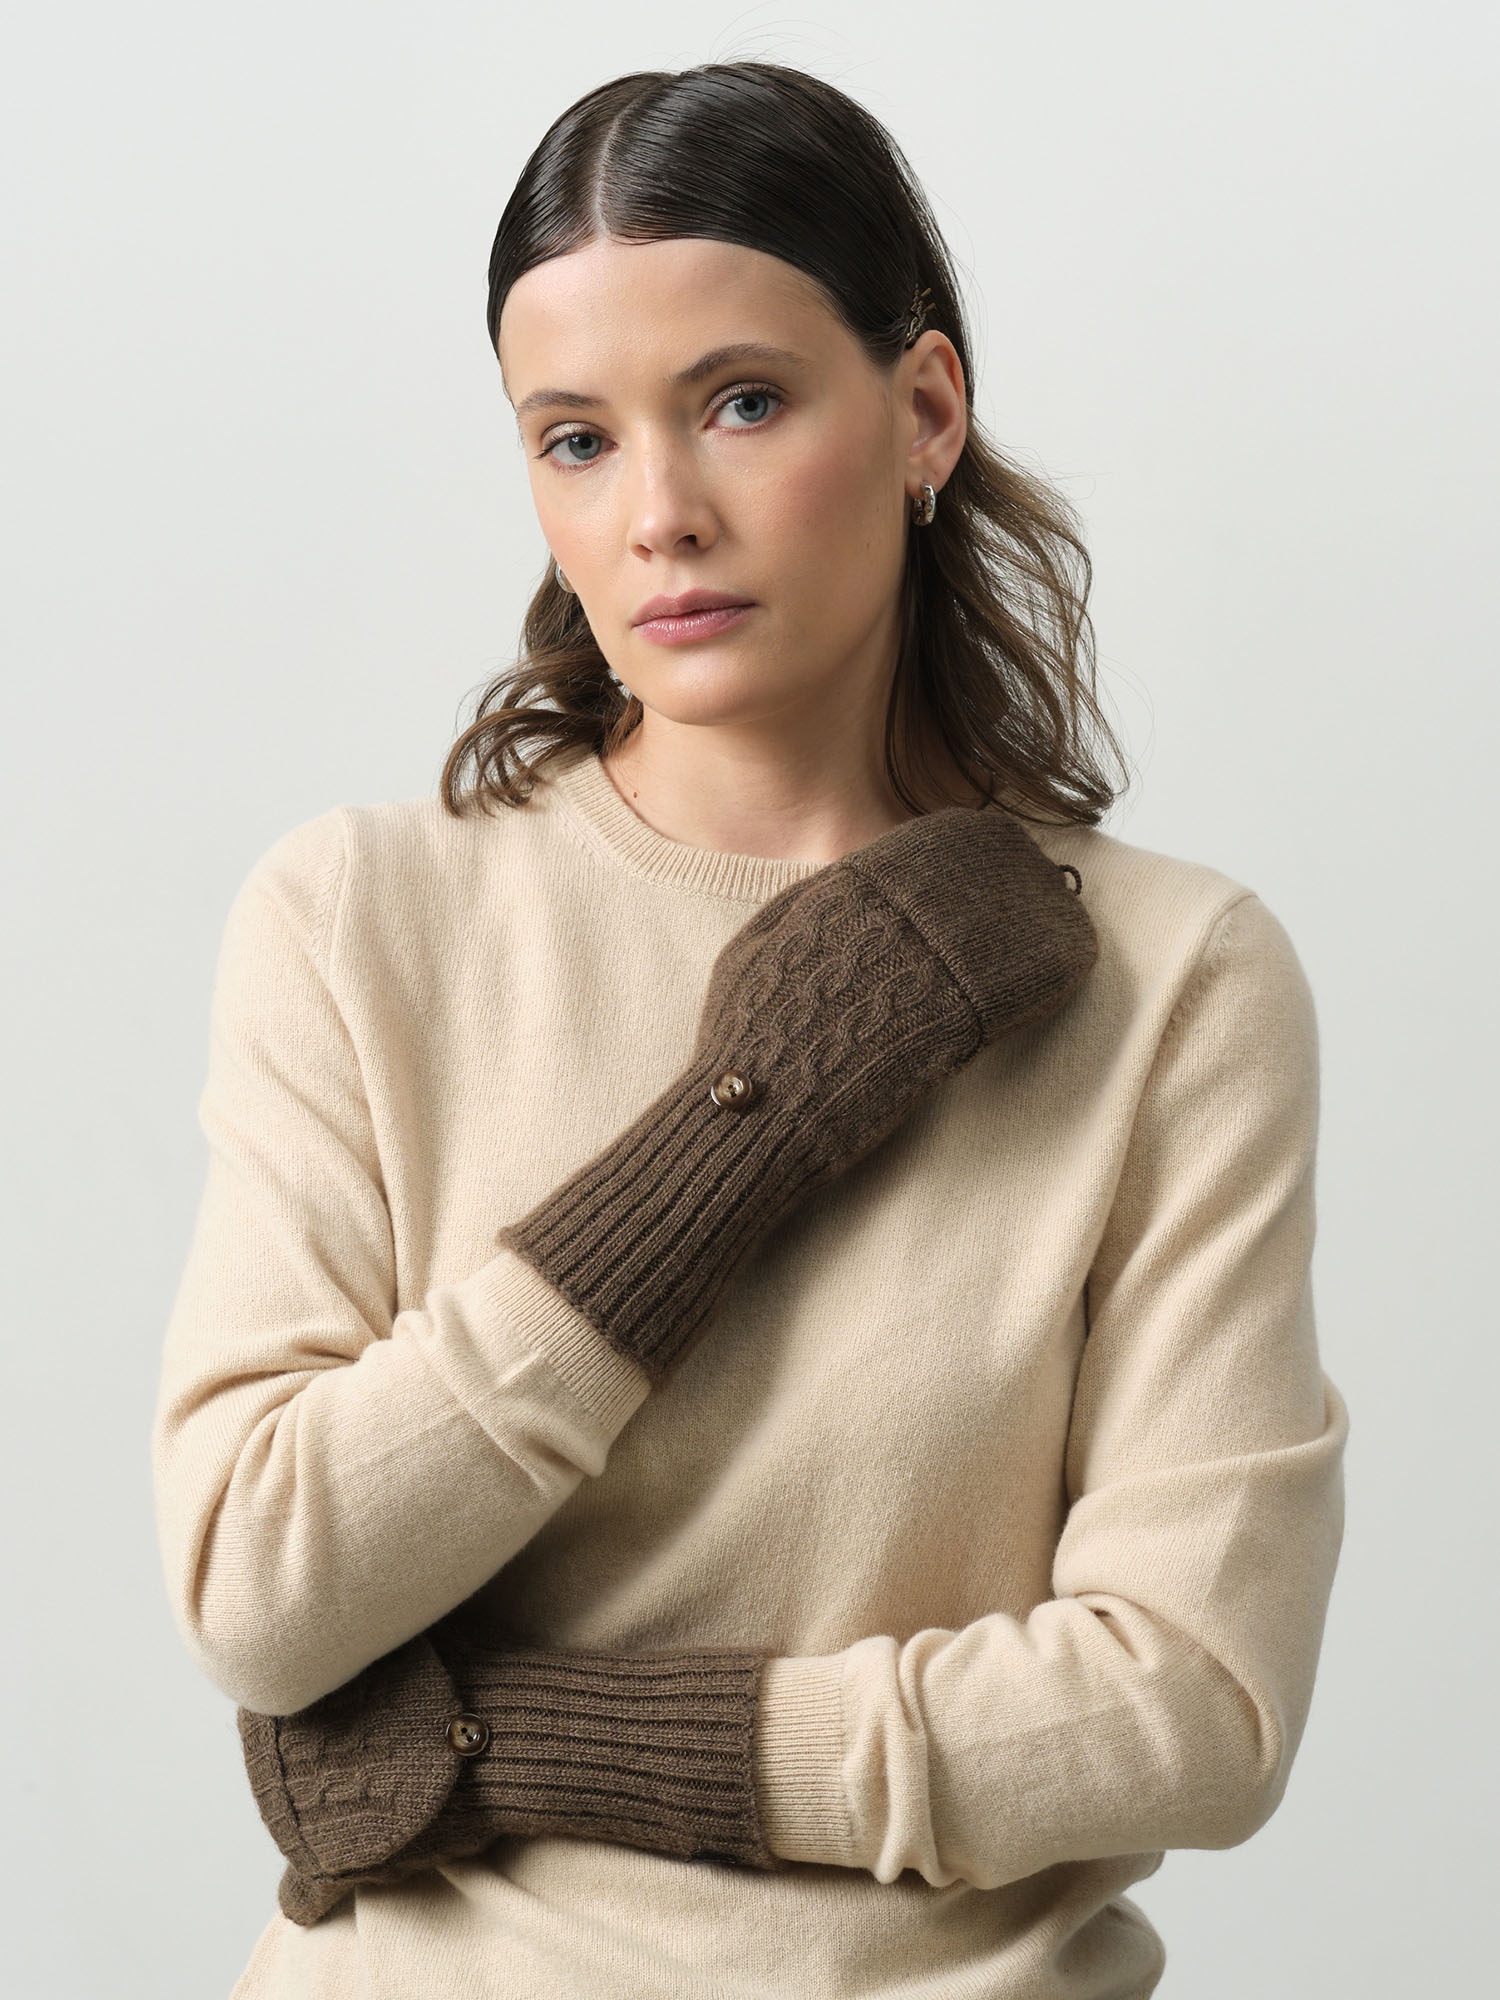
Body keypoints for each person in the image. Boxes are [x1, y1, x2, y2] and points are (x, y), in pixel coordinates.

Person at [152, 61, 1346, 2000]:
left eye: (742, 402)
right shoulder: (362, 919)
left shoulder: (1171, 978)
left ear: (926, 410)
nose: (660, 516)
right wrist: (746, 1123)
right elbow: (262, 1586)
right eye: (576, 440)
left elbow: (1199, 1702)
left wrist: (519, 1745)